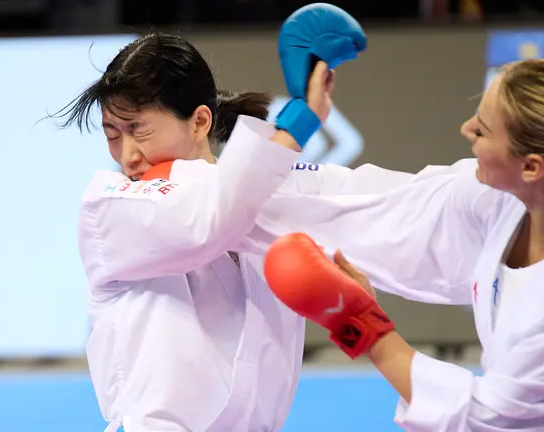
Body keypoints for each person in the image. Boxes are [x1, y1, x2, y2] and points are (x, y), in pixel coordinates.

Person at [260, 59, 544, 431]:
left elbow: (491, 420)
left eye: (484, 129)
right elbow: (389, 206)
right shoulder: (508, 199)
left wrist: (364, 326)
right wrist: (246, 186)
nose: (467, 128)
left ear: (531, 166)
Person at [55, 31, 342, 431]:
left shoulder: (262, 195)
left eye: (139, 130)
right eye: (112, 135)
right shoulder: (110, 205)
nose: (128, 155)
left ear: (200, 121)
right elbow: (206, 221)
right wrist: (296, 127)